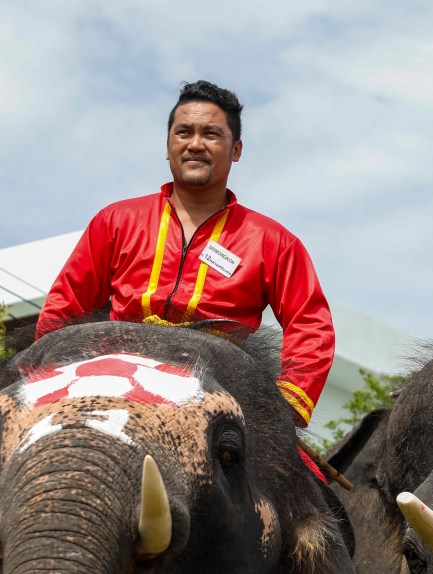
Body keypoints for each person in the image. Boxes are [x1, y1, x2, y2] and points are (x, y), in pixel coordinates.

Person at [37, 80, 334, 428]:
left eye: (211, 134)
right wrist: (49, 378)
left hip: (222, 392)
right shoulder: (115, 220)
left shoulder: (274, 241)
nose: (195, 144)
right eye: (183, 133)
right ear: (167, 146)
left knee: (301, 480)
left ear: (236, 149)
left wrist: (285, 407)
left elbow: (310, 325)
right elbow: (64, 305)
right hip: (110, 378)